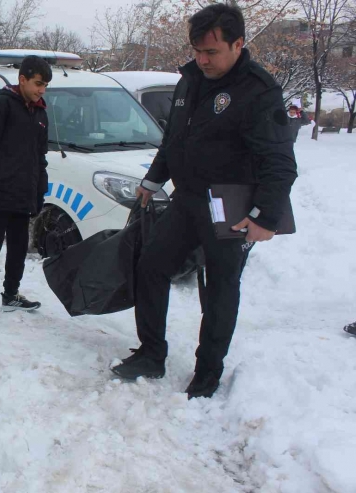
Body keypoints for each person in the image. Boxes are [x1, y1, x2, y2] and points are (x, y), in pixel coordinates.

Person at [110, 4, 297, 399]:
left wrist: (266, 216)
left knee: (220, 287)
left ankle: (207, 373)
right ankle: (151, 353)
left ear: (238, 43)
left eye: (211, 52)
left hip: (231, 204)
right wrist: (153, 178)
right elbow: (174, 137)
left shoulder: (259, 91)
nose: (202, 59)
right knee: (151, 265)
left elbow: (280, 162)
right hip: (188, 198)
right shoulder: (190, 79)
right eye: (197, 50)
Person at [0, 55, 52, 322]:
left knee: (18, 247)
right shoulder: (0, 106)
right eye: (38, 83)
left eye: (45, 86)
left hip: (24, 194)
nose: (42, 90)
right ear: (22, 80)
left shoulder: (40, 112)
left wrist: (40, 189)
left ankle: (11, 294)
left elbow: (40, 157)